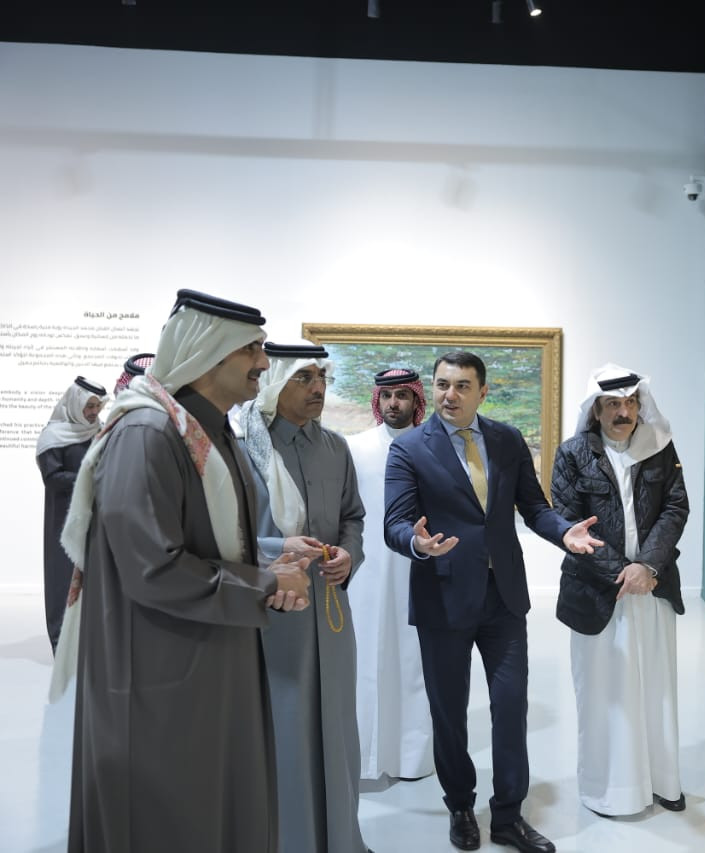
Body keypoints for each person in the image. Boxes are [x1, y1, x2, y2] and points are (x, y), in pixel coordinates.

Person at [63, 289, 312, 853]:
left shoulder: (210, 431)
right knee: (165, 814)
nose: (264, 362)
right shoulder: (148, 434)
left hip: (212, 659)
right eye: (250, 349)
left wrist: (269, 566)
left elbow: (211, 543)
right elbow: (152, 568)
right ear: (207, 354)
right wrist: (265, 583)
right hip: (160, 674)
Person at [384, 351, 603, 853]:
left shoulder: (506, 439)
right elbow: (394, 523)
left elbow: (535, 508)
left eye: (462, 386)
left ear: (482, 392)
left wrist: (564, 532)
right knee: (448, 712)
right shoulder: (409, 448)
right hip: (442, 598)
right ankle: (460, 805)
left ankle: (508, 815)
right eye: (442, 384)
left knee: (510, 706)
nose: (450, 395)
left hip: (503, 597)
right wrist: (417, 543)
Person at [240, 341, 369, 853]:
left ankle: (341, 839)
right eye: (305, 378)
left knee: (336, 728)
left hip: (330, 612)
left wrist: (349, 555)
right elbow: (223, 536)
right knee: (283, 730)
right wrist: (278, 550)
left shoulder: (335, 447)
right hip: (269, 612)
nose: (319, 388)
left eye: (322, 378)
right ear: (276, 382)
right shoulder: (242, 450)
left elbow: (353, 516)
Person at [551, 364, 689, 817]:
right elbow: (569, 523)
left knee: (656, 688)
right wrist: (622, 572)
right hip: (597, 591)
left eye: (630, 402)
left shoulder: (660, 448)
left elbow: (675, 507)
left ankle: (663, 781)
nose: (623, 412)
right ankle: (609, 788)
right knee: (604, 693)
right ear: (596, 410)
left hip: (652, 587)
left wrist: (646, 566)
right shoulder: (572, 454)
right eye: (613, 404)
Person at [346, 367, 434, 785]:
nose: (394, 403)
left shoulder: (434, 446)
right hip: (366, 574)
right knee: (366, 660)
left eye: (402, 395)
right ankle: (364, 757)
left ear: (416, 400)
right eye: (387, 395)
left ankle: (412, 759)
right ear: (377, 401)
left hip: (419, 568)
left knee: (415, 663)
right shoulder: (354, 448)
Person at [35, 375, 106, 652]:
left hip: (95, 518)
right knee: (62, 581)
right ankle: (62, 646)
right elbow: (52, 478)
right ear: (76, 404)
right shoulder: (53, 437)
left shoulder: (100, 431)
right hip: (63, 521)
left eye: (97, 407)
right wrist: (89, 478)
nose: (93, 412)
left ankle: (89, 646)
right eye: (89, 406)